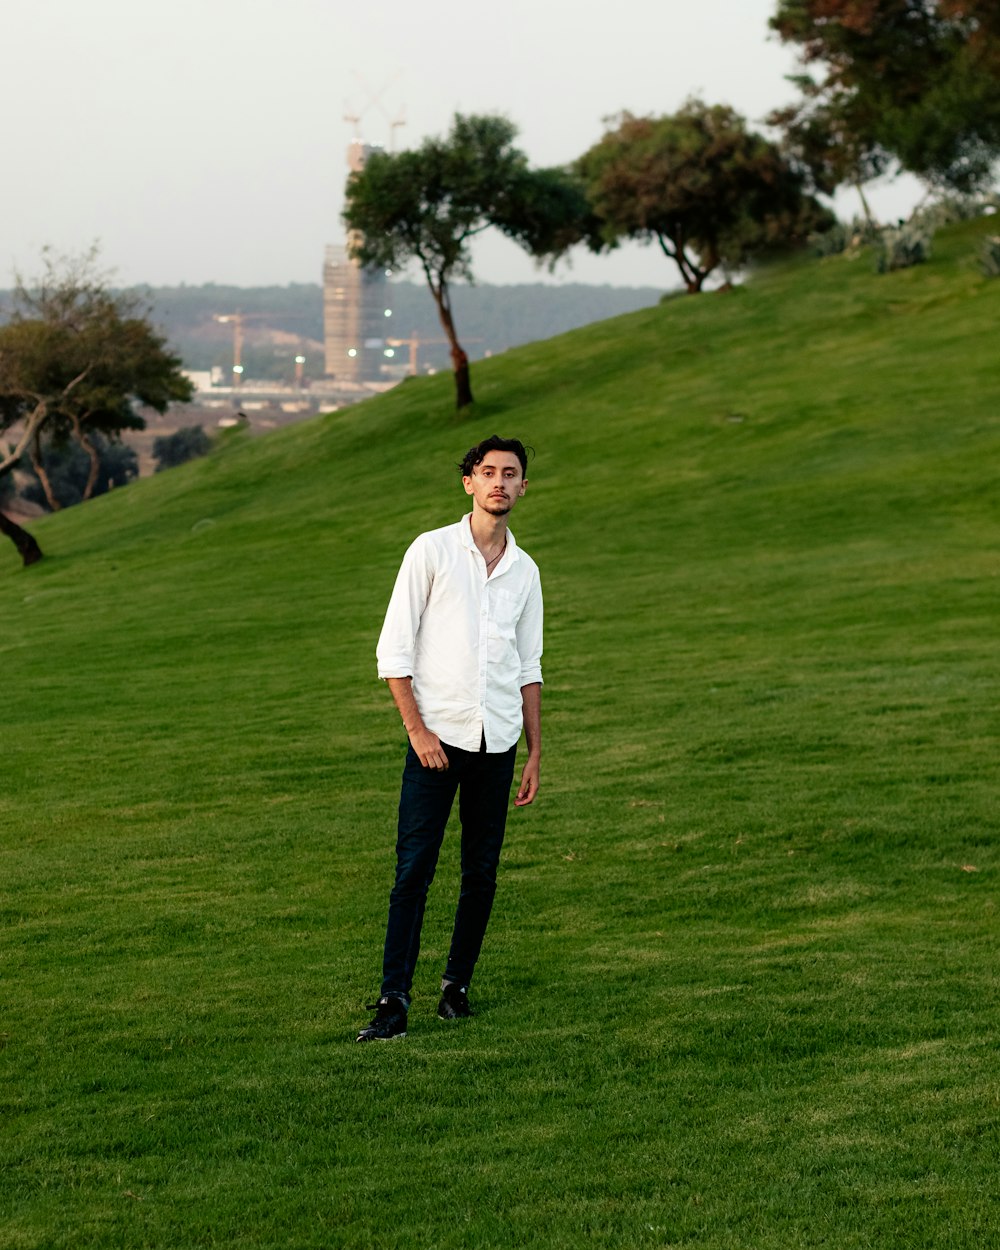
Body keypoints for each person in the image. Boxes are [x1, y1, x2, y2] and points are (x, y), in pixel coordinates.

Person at [357, 434, 543, 1042]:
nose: (498, 482)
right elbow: (393, 650)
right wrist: (417, 729)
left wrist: (535, 750)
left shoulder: (525, 570)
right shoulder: (431, 551)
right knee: (414, 871)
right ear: (468, 482)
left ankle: (456, 989)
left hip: (499, 743)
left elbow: (529, 665)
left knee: (481, 873)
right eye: (487, 472)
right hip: (435, 744)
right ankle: (392, 1001)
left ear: (522, 486)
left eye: (509, 474)